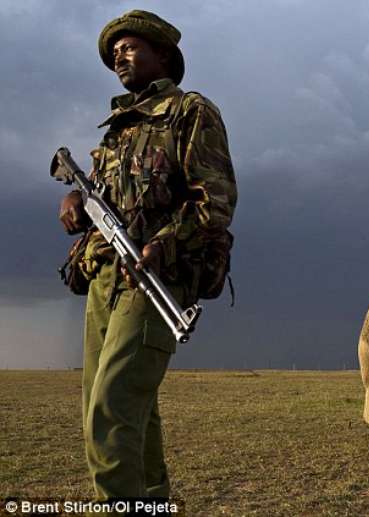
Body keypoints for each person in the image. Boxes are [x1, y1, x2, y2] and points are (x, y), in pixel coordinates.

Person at [57, 10, 237, 508]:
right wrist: (76, 204)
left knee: (111, 410)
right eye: (114, 52)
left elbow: (215, 201)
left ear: (163, 56)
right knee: (124, 408)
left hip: (156, 275)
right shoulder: (116, 130)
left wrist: (165, 243)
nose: (119, 55)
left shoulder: (190, 111)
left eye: (130, 47)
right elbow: (104, 199)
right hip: (103, 276)